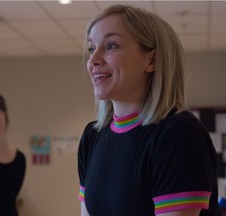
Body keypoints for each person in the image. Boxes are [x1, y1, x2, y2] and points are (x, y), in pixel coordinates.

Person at [77, 4, 221, 216]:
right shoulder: (92, 137)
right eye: (91, 48)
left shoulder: (179, 134)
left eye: (111, 45)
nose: (93, 60)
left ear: (151, 59)